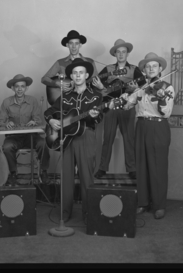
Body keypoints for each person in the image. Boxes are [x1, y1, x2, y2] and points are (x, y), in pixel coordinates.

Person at [44, 58, 104, 224]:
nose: (78, 76)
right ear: (71, 75)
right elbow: (49, 112)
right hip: (67, 139)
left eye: (81, 73)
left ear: (86, 75)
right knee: (67, 176)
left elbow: (100, 118)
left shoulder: (96, 96)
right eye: (75, 73)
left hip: (86, 136)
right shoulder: (65, 97)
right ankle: (65, 212)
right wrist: (51, 121)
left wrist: (95, 116)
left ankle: (88, 213)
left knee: (86, 176)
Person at [120, 52, 175, 220]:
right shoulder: (141, 88)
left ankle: (159, 205)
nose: (151, 69)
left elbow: (166, 113)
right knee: (141, 165)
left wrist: (161, 99)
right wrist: (126, 98)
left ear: (160, 69)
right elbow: (126, 107)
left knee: (158, 166)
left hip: (158, 127)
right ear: (144, 70)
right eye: (148, 66)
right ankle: (143, 202)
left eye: (154, 66)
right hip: (141, 126)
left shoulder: (167, 88)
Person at [92, 39, 145, 180]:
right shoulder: (108, 69)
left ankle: (132, 169)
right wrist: (102, 88)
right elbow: (96, 86)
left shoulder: (134, 69)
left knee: (129, 138)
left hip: (127, 107)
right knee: (107, 138)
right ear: (115, 54)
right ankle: (102, 168)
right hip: (110, 106)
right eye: (118, 52)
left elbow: (143, 88)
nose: (121, 54)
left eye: (123, 52)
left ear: (127, 53)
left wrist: (135, 88)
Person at [0, 74, 50, 186]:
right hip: (13, 137)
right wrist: (7, 123)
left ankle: (44, 171)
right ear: (12, 88)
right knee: (7, 147)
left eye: (22, 86)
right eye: (17, 86)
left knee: (43, 143)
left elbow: (39, 122)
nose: (20, 89)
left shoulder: (33, 101)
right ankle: (13, 173)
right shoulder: (6, 102)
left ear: (26, 88)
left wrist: (35, 123)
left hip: (31, 136)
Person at [41, 30, 99, 105]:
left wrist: (99, 86)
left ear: (80, 45)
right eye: (71, 43)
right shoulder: (60, 62)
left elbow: (96, 83)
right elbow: (44, 79)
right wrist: (57, 84)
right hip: (66, 102)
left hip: (84, 101)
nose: (74, 46)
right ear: (67, 45)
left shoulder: (90, 62)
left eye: (76, 43)